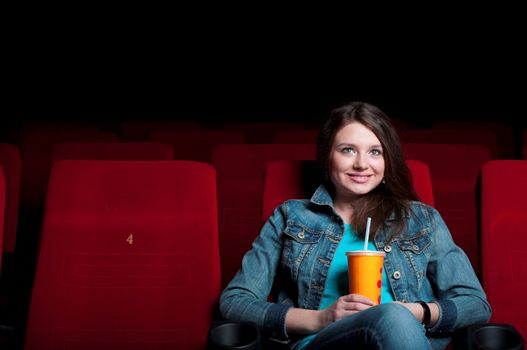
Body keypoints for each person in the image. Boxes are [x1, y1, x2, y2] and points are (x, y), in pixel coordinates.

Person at [219, 101, 491, 349]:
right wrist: (320, 319)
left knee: (394, 317)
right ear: (328, 157)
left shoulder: (422, 219)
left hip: (404, 338)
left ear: (386, 162)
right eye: (348, 150)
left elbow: (475, 304)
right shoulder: (291, 216)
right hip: (322, 342)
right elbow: (235, 301)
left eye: (375, 152)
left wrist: (416, 312)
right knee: (392, 317)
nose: (362, 164)